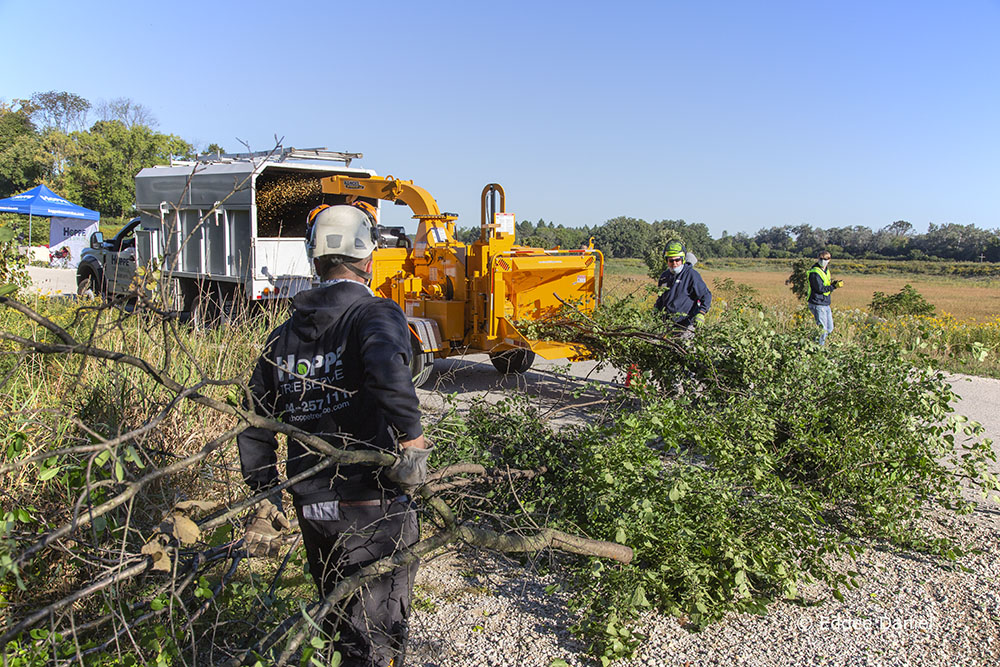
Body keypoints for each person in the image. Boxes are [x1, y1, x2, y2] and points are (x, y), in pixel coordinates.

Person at [237, 203, 431, 666]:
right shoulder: (373, 313)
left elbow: (255, 415)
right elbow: (388, 371)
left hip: (313, 505)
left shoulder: (282, 337)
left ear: (314, 259)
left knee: (339, 619)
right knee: (376, 635)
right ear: (367, 259)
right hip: (371, 502)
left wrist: (264, 490)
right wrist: (412, 442)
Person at [654, 240, 712, 339]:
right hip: (667, 325)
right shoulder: (664, 277)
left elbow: (705, 295)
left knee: (683, 350)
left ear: (683, 260)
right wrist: (656, 308)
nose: (674, 263)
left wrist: (701, 313)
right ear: (666, 261)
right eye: (671, 260)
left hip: (686, 325)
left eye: (677, 260)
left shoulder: (691, 275)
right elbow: (662, 298)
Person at [806, 250, 843, 345]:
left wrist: (833, 284)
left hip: (825, 302)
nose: (823, 261)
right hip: (817, 303)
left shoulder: (826, 271)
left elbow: (826, 284)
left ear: (829, 260)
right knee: (822, 330)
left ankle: (811, 343)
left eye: (825, 259)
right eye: (821, 259)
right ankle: (818, 349)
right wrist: (834, 287)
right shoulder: (815, 272)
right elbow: (819, 288)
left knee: (829, 328)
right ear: (818, 259)